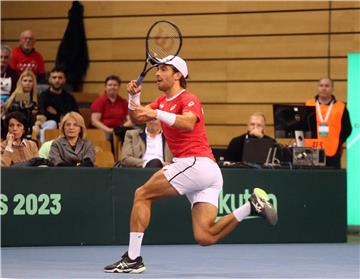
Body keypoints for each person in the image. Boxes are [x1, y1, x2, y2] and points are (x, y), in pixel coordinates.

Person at [104, 56, 278, 274]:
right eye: (157, 69)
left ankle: (132, 258)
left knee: (142, 194)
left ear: (178, 75)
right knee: (205, 236)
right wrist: (134, 96)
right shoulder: (161, 100)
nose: (157, 73)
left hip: (195, 164)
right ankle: (251, 206)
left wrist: (155, 113)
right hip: (208, 173)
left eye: (164, 69)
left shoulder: (189, 98)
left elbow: (187, 123)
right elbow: (137, 116)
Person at [304, 77, 352, 168]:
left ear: (332, 89)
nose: (323, 88)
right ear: (318, 88)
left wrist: (338, 141)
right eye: (321, 85)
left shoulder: (341, 107)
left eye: (327, 86)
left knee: (331, 180)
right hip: (310, 151)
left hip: (332, 151)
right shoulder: (308, 104)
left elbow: (347, 129)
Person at [33, 66, 79, 143]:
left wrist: (56, 114)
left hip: (65, 128)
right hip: (47, 128)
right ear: (49, 79)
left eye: (60, 78)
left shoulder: (69, 98)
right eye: (54, 77)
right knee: (52, 123)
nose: (57, 80)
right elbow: (41, 116)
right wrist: (60, 115)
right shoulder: (44, 96)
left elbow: (75, 116)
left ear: (64, 80)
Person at [90, 75, 133, 152]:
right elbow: (94, 121)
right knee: (109, 137)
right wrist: (109, 130)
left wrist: (120, 128)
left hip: (120, 130)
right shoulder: (99, 102)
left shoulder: (123, 102)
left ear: (119, 87)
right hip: (104, 130)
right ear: (105, 87)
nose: (112, 87)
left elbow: (130, 120)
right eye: (110, 85)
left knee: (133, 135)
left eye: (115, 85)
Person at [1, 70, 38, 138]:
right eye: (25, 80)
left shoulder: (36, 96)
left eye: (30, 81)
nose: (27, 83)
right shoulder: (19, 95)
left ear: (33, 83)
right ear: (20, 82)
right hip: (14, 127)